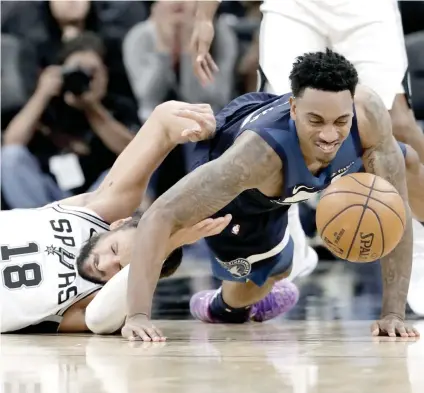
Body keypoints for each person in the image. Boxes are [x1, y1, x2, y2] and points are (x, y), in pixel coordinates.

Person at [112, 49, 421, 342]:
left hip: (289, 176)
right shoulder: (252, 160)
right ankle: (220, 304)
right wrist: (137, 315)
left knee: (405, 162)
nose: (329, 134)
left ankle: (289, 247)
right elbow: (161, 214)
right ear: (294, 108)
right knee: (256, 288)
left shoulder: (369, 113)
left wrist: (393, 313)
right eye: (316, 121)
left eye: (341, 121)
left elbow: (398, 209)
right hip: (243, 201)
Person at [190, 0, 424, 316]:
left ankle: (416, 249)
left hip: (368, 8)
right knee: (286, 122)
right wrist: (204, 15)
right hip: (294, 7)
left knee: (398, 128)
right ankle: (289, 246)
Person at [0, 100, 229, 334]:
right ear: (117, 225)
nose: (105, 264)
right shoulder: (93, 215)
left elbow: (99, 322)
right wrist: (207, 126)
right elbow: (162, 122)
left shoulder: (95, 299)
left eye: (119, 268)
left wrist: (166, 245)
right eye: (113, 250)